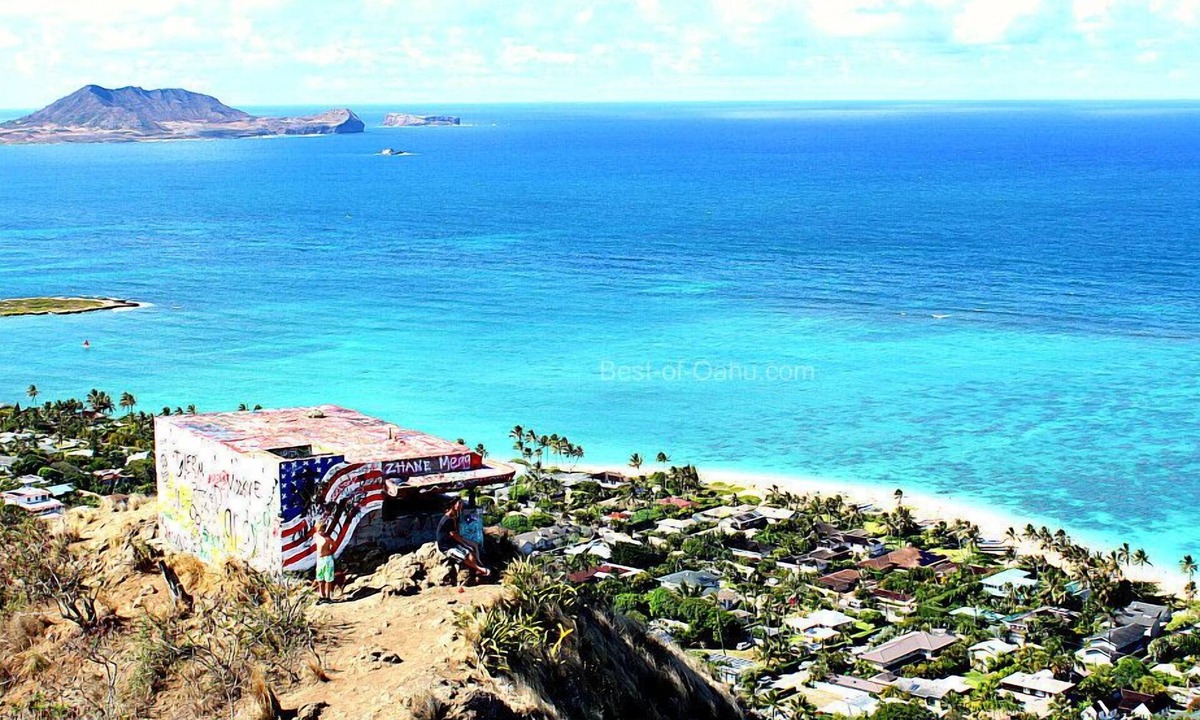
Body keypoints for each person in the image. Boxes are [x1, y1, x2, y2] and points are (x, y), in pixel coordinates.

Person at [436, 498, 491, 581]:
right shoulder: (448, 519)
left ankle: (479, 567)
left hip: (452, 542)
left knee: (470, 551)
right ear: (454, 505)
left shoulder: (454, 516)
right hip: (446, 547)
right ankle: (480, 569)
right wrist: (464, 543)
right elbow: (453, 534)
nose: (461, 505)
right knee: (463, 556)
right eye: (459, 503)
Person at [313, 519, 335, 603]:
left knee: (328, 578)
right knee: (320, 578)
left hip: (327, 559)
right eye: (319, 530)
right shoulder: (316, 536)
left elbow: (334, 545)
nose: (320, 532)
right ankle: (322, 595)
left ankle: (328, 596)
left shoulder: (327, 538)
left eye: (322, 530)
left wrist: (330, 552)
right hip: (320, 559)